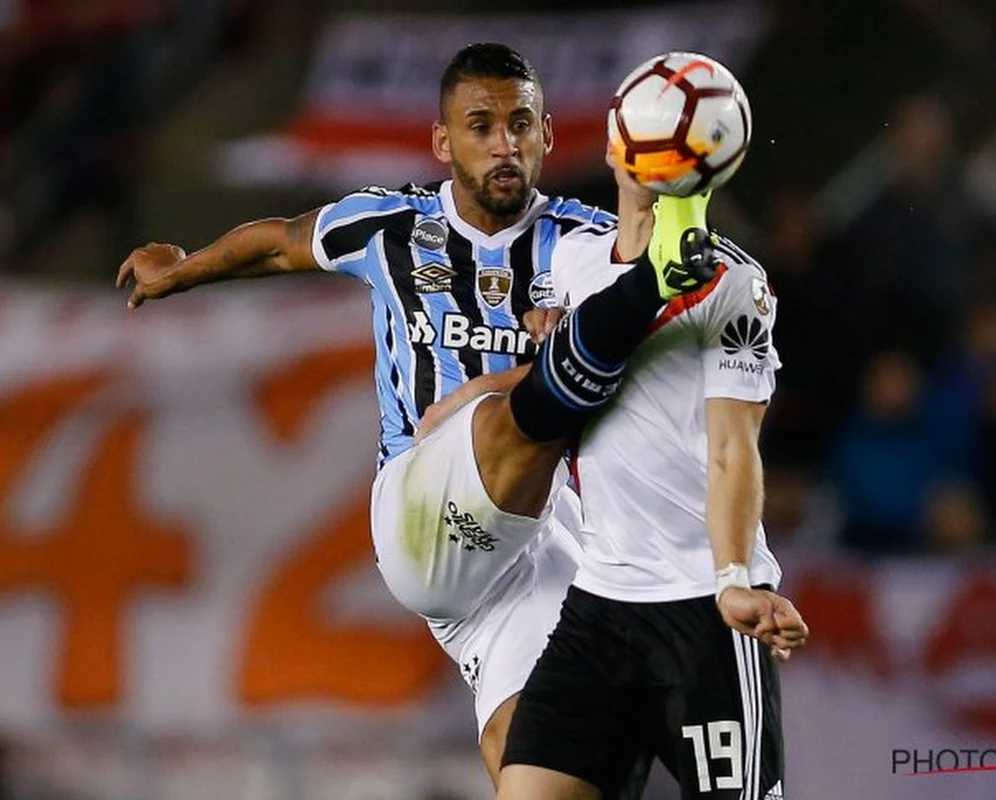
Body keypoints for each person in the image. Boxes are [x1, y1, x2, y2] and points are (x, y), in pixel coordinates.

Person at [115, 43, 729, 785]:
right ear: (444, 142)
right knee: (499, 418)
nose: (505, 144)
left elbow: (665, 349)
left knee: (539, 757)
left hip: (541, 549)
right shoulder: (388, 226)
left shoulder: (582, 242)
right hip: (422, 512)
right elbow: (275, 246)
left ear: (547, 136)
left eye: (521, 124)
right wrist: (181, 268)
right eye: (481, 126)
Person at [491, 175, 808, 799]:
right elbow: (549, 384)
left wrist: (734, 576)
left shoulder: (733, 281)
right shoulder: (570, 263)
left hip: (704, 607)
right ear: (617, 145)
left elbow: (733, 447)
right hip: (599, 603)